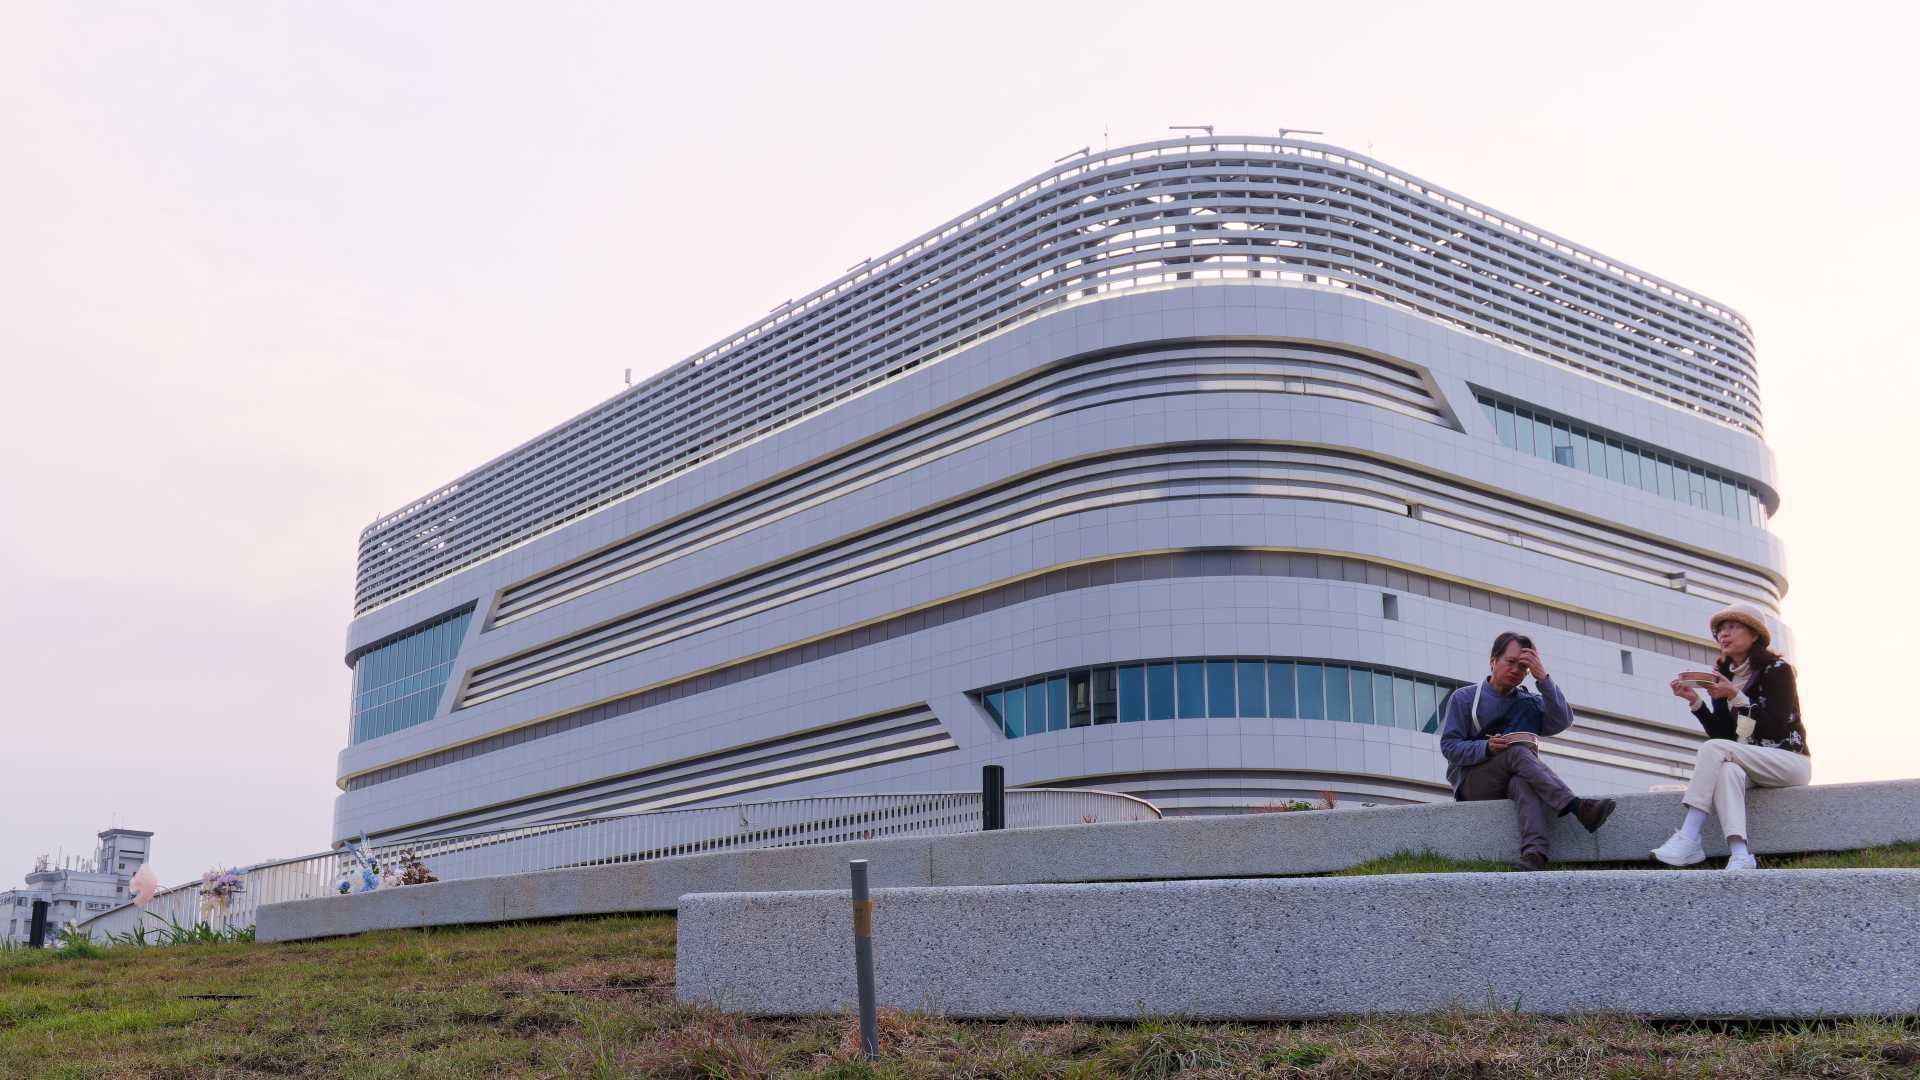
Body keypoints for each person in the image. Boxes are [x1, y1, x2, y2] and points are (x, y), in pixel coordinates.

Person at [1650, 603, 1810, 870]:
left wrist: (1735, 696)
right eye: (1720, 630)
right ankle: (1740, 854)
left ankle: (1689, 836)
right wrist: (1696, 703)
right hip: (1750, 760)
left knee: (1715, 751)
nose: (1724, 634)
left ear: (1755, 634)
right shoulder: (1723, 677)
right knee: (1726, 770)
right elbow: (1726, 735)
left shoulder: (1777, 670)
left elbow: (1773, 727)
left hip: (1788, 760)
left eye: (1733, 627)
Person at [1439, 632, 1617, 870]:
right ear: (1493, 661)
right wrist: (1486, 747)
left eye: (1523, 667)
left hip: (1514, 778)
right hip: (1473, 783)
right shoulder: (1465, 698)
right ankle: (1577, 807)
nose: (1516, 670)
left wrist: (1543, 678)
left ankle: (1534, 855)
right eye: (1510, 662)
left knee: (1522, 782)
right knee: (1517, 752)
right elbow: (1449, 747)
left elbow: (1562, 721)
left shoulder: (1529, 702)